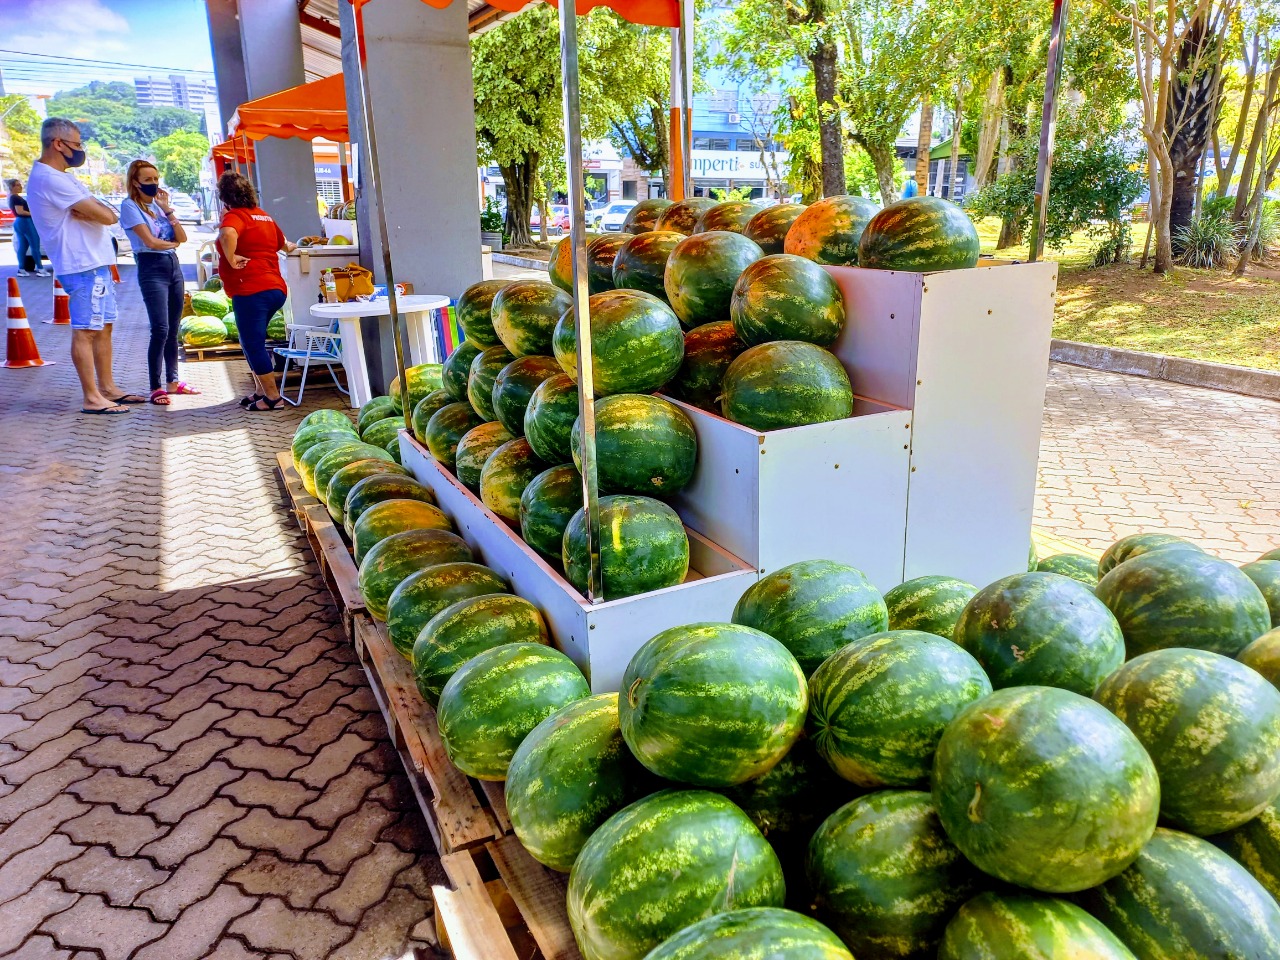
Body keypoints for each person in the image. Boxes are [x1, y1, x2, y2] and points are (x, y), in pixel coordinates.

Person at [27, 117, 144, 415]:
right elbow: (106, 216)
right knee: (86, 330)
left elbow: (108, 213)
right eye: (77, 144)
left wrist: (96, 212)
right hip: (82, 265)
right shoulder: (50, 178)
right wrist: (97, 212)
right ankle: (92, 397)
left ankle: (107, 388)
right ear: (58, 143)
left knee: (103, 327)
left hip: (94, 264)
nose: (81, 150)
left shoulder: (62, 176)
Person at [119, 159, 200, 405]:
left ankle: (173, 382)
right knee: (160, 329)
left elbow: (182, 238)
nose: (154, 184)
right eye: (148, 180)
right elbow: (150, 243)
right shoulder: (130, 206)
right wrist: (171, 244)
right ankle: (156, 386)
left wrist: (169, 210)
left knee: (174, 329)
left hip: (173, 267)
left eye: (155, 179)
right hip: (151, 267)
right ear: (135, 182)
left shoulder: (157, 204)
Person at [216, 171, 295, 411]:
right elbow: (286, 245)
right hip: (275, 289)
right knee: (250, 340)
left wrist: (230, 258)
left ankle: (273, 398)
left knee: (253, 343)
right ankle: (261, 390)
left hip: (251, 288)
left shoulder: (235, 216)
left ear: (224, 197)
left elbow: (227, 233)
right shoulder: (264, 217)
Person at [7, 179, 51, 277]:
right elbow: (20, 211)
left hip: (19, 222)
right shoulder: (17, 198)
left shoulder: (12, 197)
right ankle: (40, 269)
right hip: (26, 221)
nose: (20, 186)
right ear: (12, 187)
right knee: (34, 245)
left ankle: (21, 269)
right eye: (18, 185)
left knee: (23, 246)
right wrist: (34, 214)